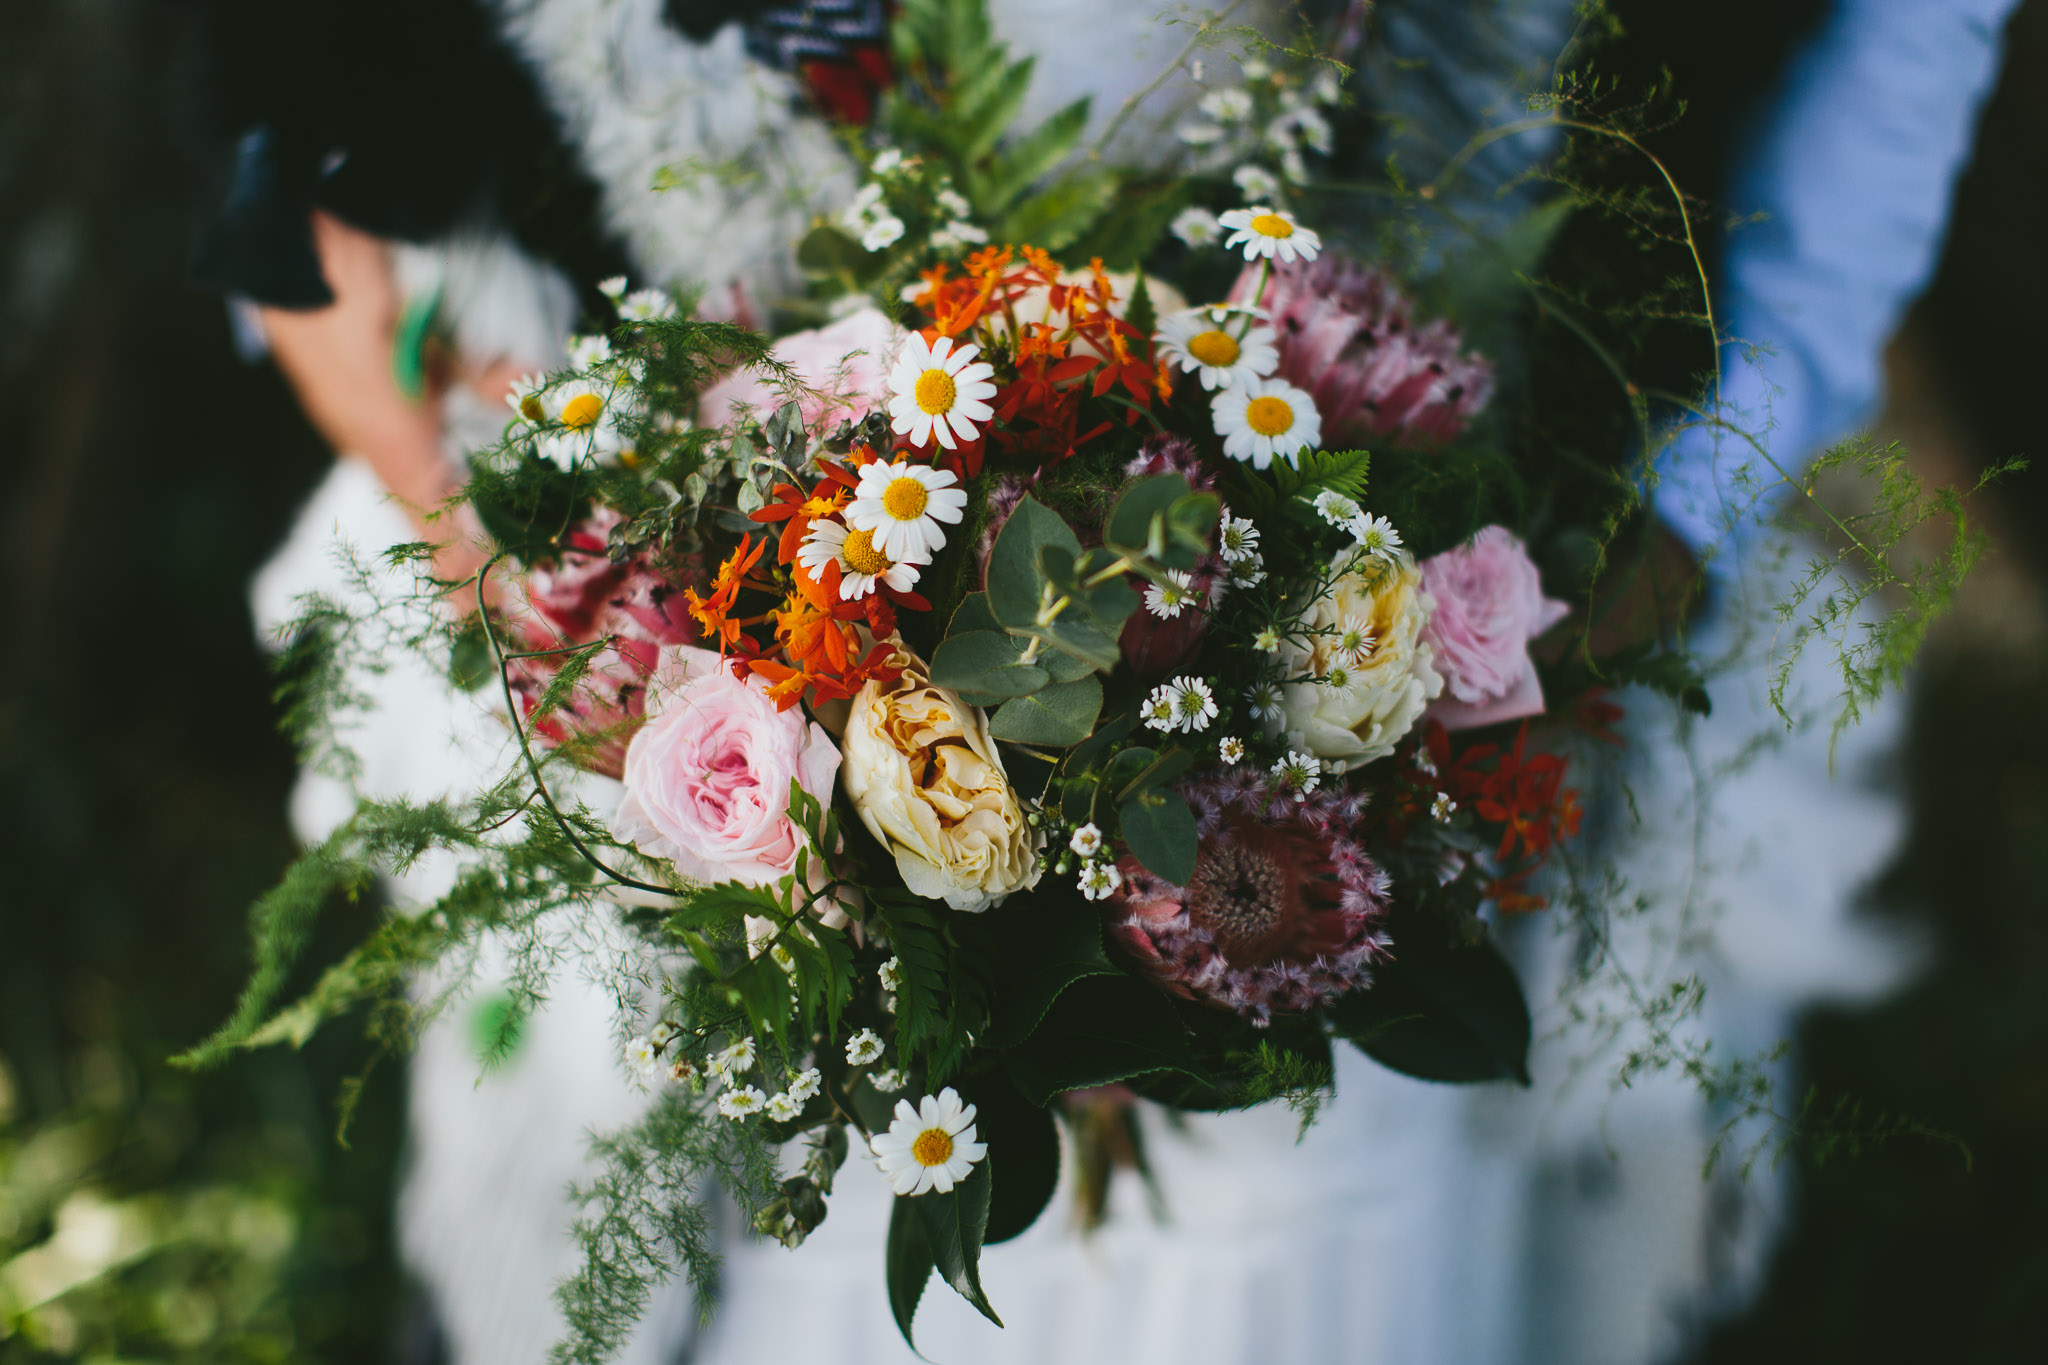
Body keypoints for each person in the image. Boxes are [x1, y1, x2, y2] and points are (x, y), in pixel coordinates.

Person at [211, 0, 2018, 1360]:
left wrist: (1692, 500)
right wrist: (417, 441)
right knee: (767, 1201)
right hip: (671, 596)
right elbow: (307, 134)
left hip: (1397, 633)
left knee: (1299, 1208)